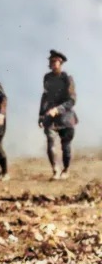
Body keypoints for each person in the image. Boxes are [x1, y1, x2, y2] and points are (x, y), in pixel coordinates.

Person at [39, 49, 77, 179]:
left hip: (66, 118)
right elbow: (45, 97)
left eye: (56, 61)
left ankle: (66, 170)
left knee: (66, 146)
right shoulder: (47, 78)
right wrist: (41, 115)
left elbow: (72, 100)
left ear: (61, 63)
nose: (53, 64)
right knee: (50, 142)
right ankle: (55, 170)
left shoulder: (67, 78)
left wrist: (58, 109)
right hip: (50, 118)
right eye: (51, 61)